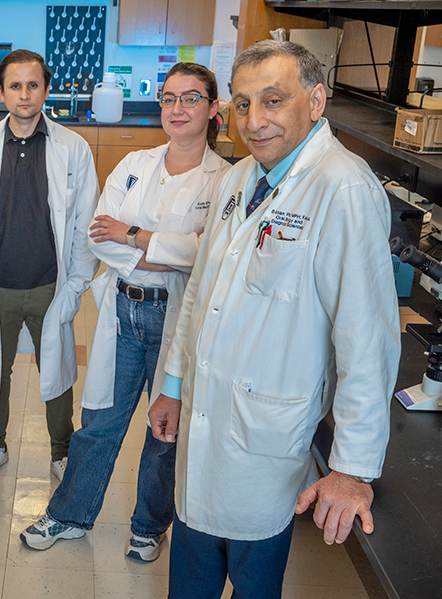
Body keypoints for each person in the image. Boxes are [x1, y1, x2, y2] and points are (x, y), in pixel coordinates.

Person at [147, 41, 401, 598]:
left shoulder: (344, 188)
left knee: (254, 580)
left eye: (272, 101)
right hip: (204, 423)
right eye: (241, 105)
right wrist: (171, 385)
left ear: (315, 101)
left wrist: (352, 469)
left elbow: (367, 340)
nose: (254, 121)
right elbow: (200, 295)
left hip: (264, 439)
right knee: (189, 575)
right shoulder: (240, 178)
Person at [20, 63, 230, 558]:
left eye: (191, 98)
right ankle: (69, 514)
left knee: (164, 430)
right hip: (122, 309)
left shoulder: (224, 181)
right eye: (168, 97)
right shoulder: (134, 162)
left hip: (176, 319)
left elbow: (209, 255)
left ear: (213, 109)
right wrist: (171, 253)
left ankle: (147, 526)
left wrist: (133, 236)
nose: (177, 108)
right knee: (99, 424)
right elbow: (100, 236)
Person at [0, 49, 99, 483]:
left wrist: (75, 284)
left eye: (33, 84)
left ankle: (61, 451)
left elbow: (84, 223)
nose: (24, 94)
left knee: (58, 370)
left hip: (50, 284)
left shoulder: (73, 147)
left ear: (47, 89)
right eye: (15, 85)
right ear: (1, 92)